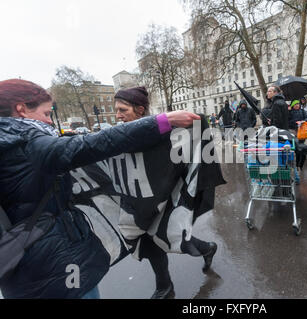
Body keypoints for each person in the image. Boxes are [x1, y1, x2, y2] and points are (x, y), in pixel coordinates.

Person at [0, 79, 199, 299]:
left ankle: (190, 260)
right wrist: (160, 122)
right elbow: (84, 147)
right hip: (53, 264)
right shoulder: (25, 141)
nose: (49, 122)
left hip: (34, 263)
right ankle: (169, 281)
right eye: (47, 114)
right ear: (21, 109)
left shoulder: (14, 141)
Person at [114, 86, 218, 299]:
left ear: (140, 109)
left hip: (162, 198)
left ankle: (207, 248)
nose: (118, 115)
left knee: (167, 236)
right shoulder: (120, 134)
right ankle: (165, 285)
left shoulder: (162, 131)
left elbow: (195, 128)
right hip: (137, 200)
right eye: (116, 110)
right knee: (150, 242)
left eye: (123, 110)